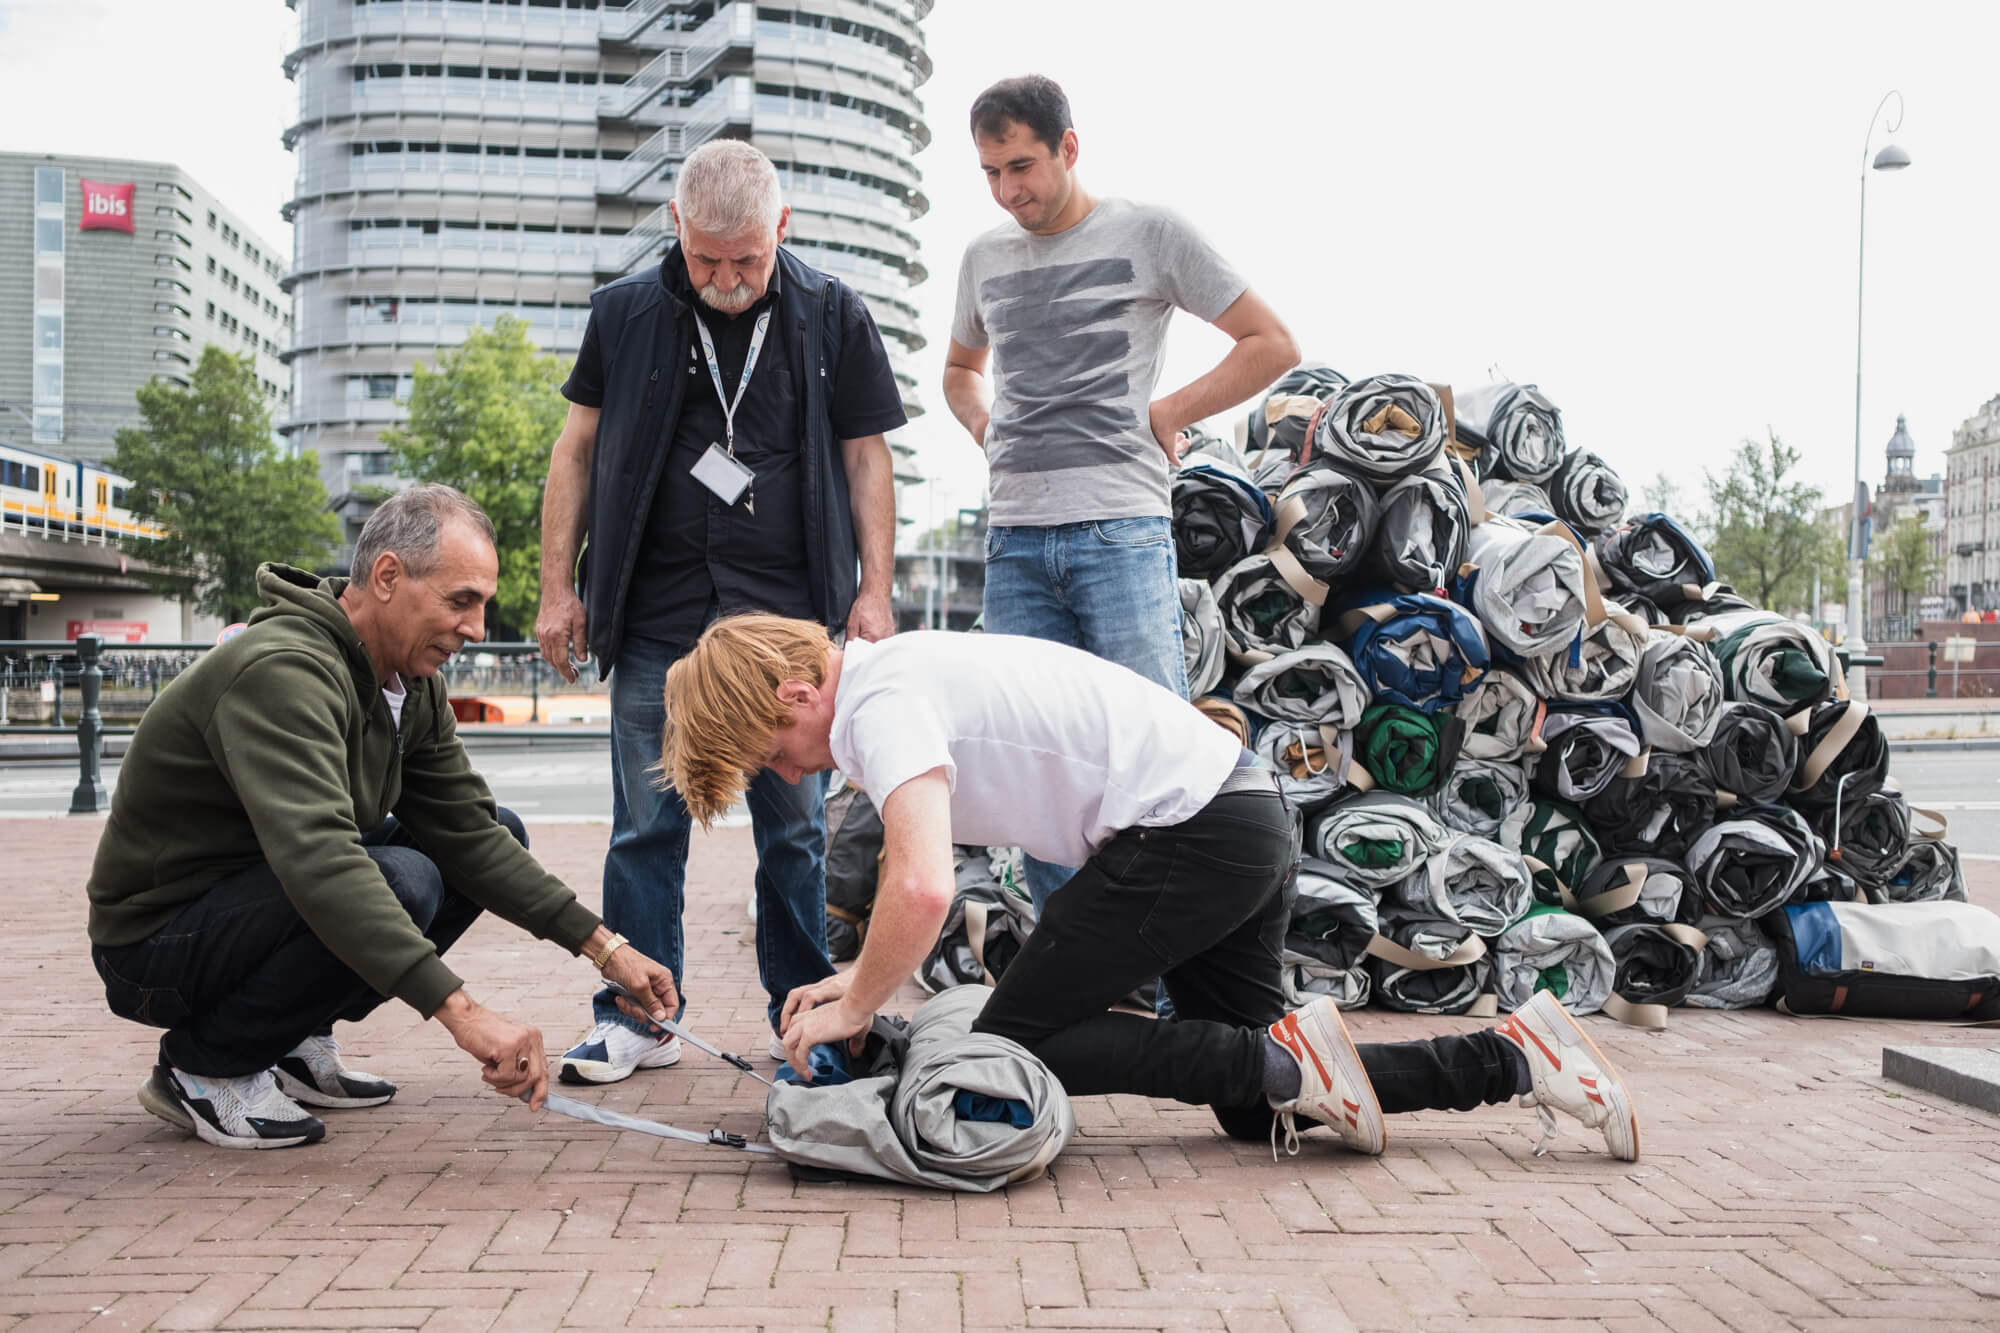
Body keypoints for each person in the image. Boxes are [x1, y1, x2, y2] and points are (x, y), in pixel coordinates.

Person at [661, 615, 1642, 1164]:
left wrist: (859, 1002)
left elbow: (917, 888)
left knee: (1014, 1043)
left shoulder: (878, 699)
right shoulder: (897, 673)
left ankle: (1298, 1065)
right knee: (1263, 1100)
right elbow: (899, 881)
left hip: (1191, 828)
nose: (786, 774)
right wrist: (852, 988)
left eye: (771, 754)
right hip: (1232, 814)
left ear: (794, 693)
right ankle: (1511, 1055)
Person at [86, 485, 679, 1150]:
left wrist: (606, 948)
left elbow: (473, 835)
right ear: (388, 576)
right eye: (462, 601)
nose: (478, 628)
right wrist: (464, 1013)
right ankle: (205, 1064)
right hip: (156, 946)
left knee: (491, 835)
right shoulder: (281, 670)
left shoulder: (410, 683)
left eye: (482, 603)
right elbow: (322, 861)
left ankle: (288, 1039)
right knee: (398, 877)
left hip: (252, 904)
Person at [535, 139, 907, 1085]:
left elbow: (867, 457)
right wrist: (555, 587)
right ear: (677, 229)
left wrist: (874, 590)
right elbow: (574, 451)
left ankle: (809, 1011)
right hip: (658, 612)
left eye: (746, 259)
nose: (728, 279)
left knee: (793, 826)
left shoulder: (832, 313)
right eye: (707, 260)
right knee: (644, 822)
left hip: (785, 622)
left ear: (781, 228)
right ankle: (637, 1018)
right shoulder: (623, 313)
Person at [941, 75, 1300, 911]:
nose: (1008, 190)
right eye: (991, 172)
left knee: (1158, 759)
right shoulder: (983, 258)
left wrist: (1170, 410)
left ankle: (1178, 998)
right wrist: (985, 428)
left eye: (1022, 165)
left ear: (1070, 147)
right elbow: (960, 372)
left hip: (1121, 532)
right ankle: (1083, 989)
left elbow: (1271, 341)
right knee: (1038, 768)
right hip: (1015, 542)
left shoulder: (1150, 231)